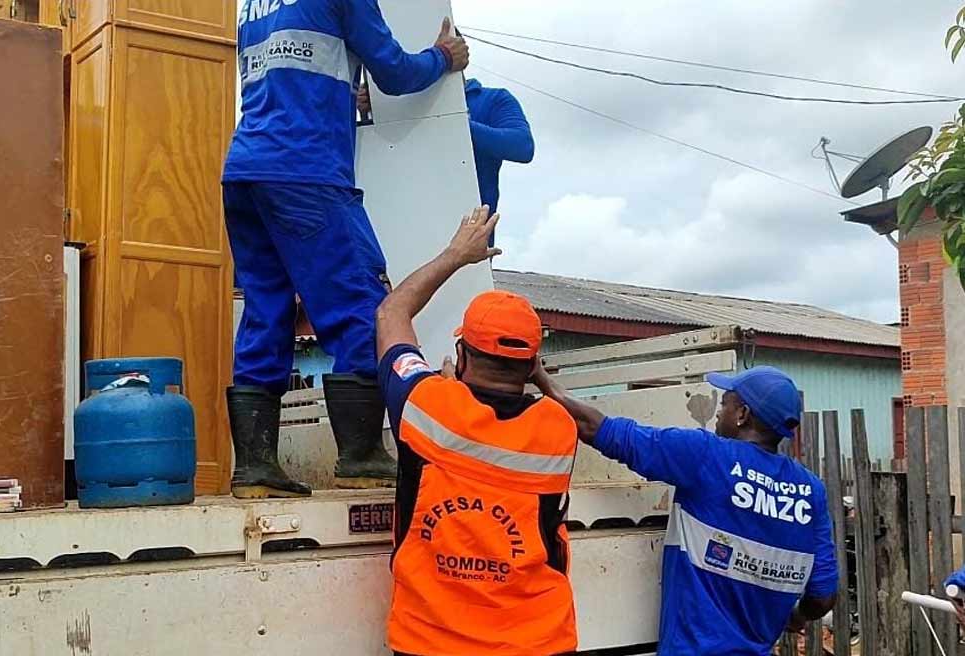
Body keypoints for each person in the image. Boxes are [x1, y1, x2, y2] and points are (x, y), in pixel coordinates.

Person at [222, 1, 469, 498]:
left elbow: (296, 75)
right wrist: (443, 56)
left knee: (265, 311)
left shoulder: (254, 3)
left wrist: (343, 95)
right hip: (306, 170)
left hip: (247, 169)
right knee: (361, 303)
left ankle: (255, 467)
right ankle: (360, 456)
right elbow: (395, 71)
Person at [376, 206, 578, 656]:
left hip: (431, 642)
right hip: (538, 640)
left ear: (461, 353)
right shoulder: (558, 429)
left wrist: (456, 254)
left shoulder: (425, 405)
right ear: (531, 366)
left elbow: (392, 314)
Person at [534, 365, 837, 654]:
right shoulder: (811, 492)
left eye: (726, 403)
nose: (718, 411)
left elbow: (599, 429)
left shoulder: (707, 455)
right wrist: (796, 615)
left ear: (743, 414)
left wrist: (543, 380)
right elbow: (823, 598)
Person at [358, 70, 534, 245]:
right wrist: (361, 109)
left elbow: (522, 147)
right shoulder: (397, 107)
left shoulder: (494, 99)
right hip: (400, 234)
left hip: (469, 242)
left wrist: (449, 119)